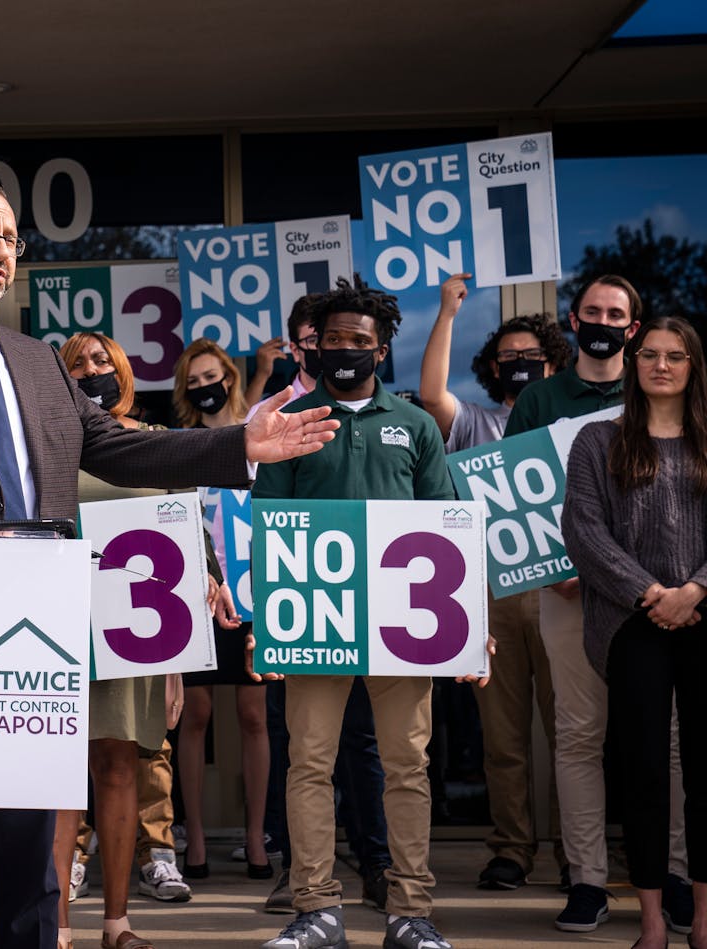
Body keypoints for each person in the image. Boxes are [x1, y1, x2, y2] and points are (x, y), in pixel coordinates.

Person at [0, 178, 338, 949]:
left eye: (11, 237)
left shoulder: (36, 360)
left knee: (33, 857)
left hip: (33, 636)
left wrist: (239, 446)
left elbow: (120, 448)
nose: (2, 249)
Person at [252, 276, 486, 949]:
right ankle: (316, 909)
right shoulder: (291, 424)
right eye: (333, 340)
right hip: (315, 617)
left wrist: (471, 629)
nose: (346, 348)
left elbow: (445, 529)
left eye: (359, 340)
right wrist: (267, 623)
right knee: (309, 763)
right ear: (314, 348)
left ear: (381, 350)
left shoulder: (414, 425)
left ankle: (410, 911)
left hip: (402, 626)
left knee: (407, 766)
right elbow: (270, 526)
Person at [503, 274, 693, 933]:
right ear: (574, 318)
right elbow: (517, 494)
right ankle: (585, 878)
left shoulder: (658, 387)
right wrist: (561, 564)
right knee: (579, 735)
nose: (603, 321)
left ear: (637, 330)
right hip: (568, 589)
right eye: (592, 311)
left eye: (617, 314)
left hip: (657, 602)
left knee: (667, 740)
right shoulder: (541, 398)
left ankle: (673, 871)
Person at [51, 331, 213, 947]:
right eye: (77, 364)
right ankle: (57, 925)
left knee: (120, 770)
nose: (91, 370)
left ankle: (117, 924)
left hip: (136, 635)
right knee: (60, 780)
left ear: (122, 372)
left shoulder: (157, 447)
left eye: (102, 361)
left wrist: (179, 654)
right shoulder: (49, 446)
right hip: (60, 628)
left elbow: (189, 544)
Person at [419, 274, 573, 891]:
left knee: (572, 732)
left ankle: (576, 853)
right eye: (507, 357)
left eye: (531, 356)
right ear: (491, 368)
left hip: (567, 589)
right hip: (493, 591)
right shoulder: (477, 422)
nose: (518, 364)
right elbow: (432, 395)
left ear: (553, 363)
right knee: (504, 736)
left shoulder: (572, 421)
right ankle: (512, 848)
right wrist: (447, 312)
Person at [563, 316, 707, 949]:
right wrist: (653, 594)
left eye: (675, 356)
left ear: (693, 366)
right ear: (633, 360)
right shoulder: (599, 441)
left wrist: (697, 588)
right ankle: (651, 922)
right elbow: (584, 531)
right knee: (644, 772)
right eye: (649, 354)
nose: (661, 365)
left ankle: (704, 920)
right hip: (632, 622)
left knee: (705, 773)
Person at [170, 338, 270, 882]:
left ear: (230, 377)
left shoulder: (255, 438)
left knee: (254, 716)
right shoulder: (184, 446)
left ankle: (256, 838)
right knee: (197, 716)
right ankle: (198, 839)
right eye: (195, 381)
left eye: (214, 376)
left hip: (256, 594)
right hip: (198, 597)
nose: (207, 387)